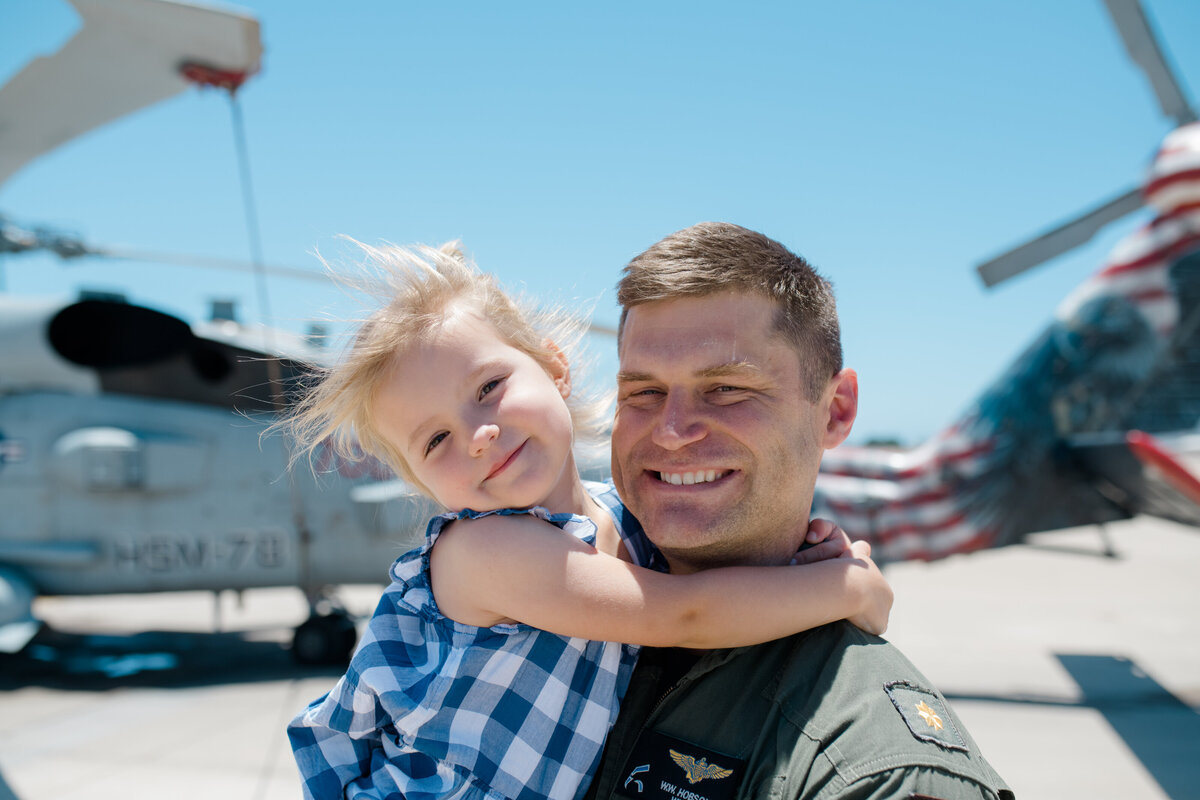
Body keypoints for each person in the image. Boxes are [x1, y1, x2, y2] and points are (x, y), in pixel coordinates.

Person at [282, 240, 895, 800]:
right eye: (436, 439)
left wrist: (800, 557)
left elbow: (712, 570)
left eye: (489, 386)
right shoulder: (485, 551)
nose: (478, 435)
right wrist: (848, 586)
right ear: (423, 483)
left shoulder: (625, 518)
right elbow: (686, 611)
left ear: (555, 367)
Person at [583, 222, 1014, 800]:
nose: (672, 431)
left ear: (834, 410)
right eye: (643, 392)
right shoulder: (540, 607)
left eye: (726, 388)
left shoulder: (874, 768)